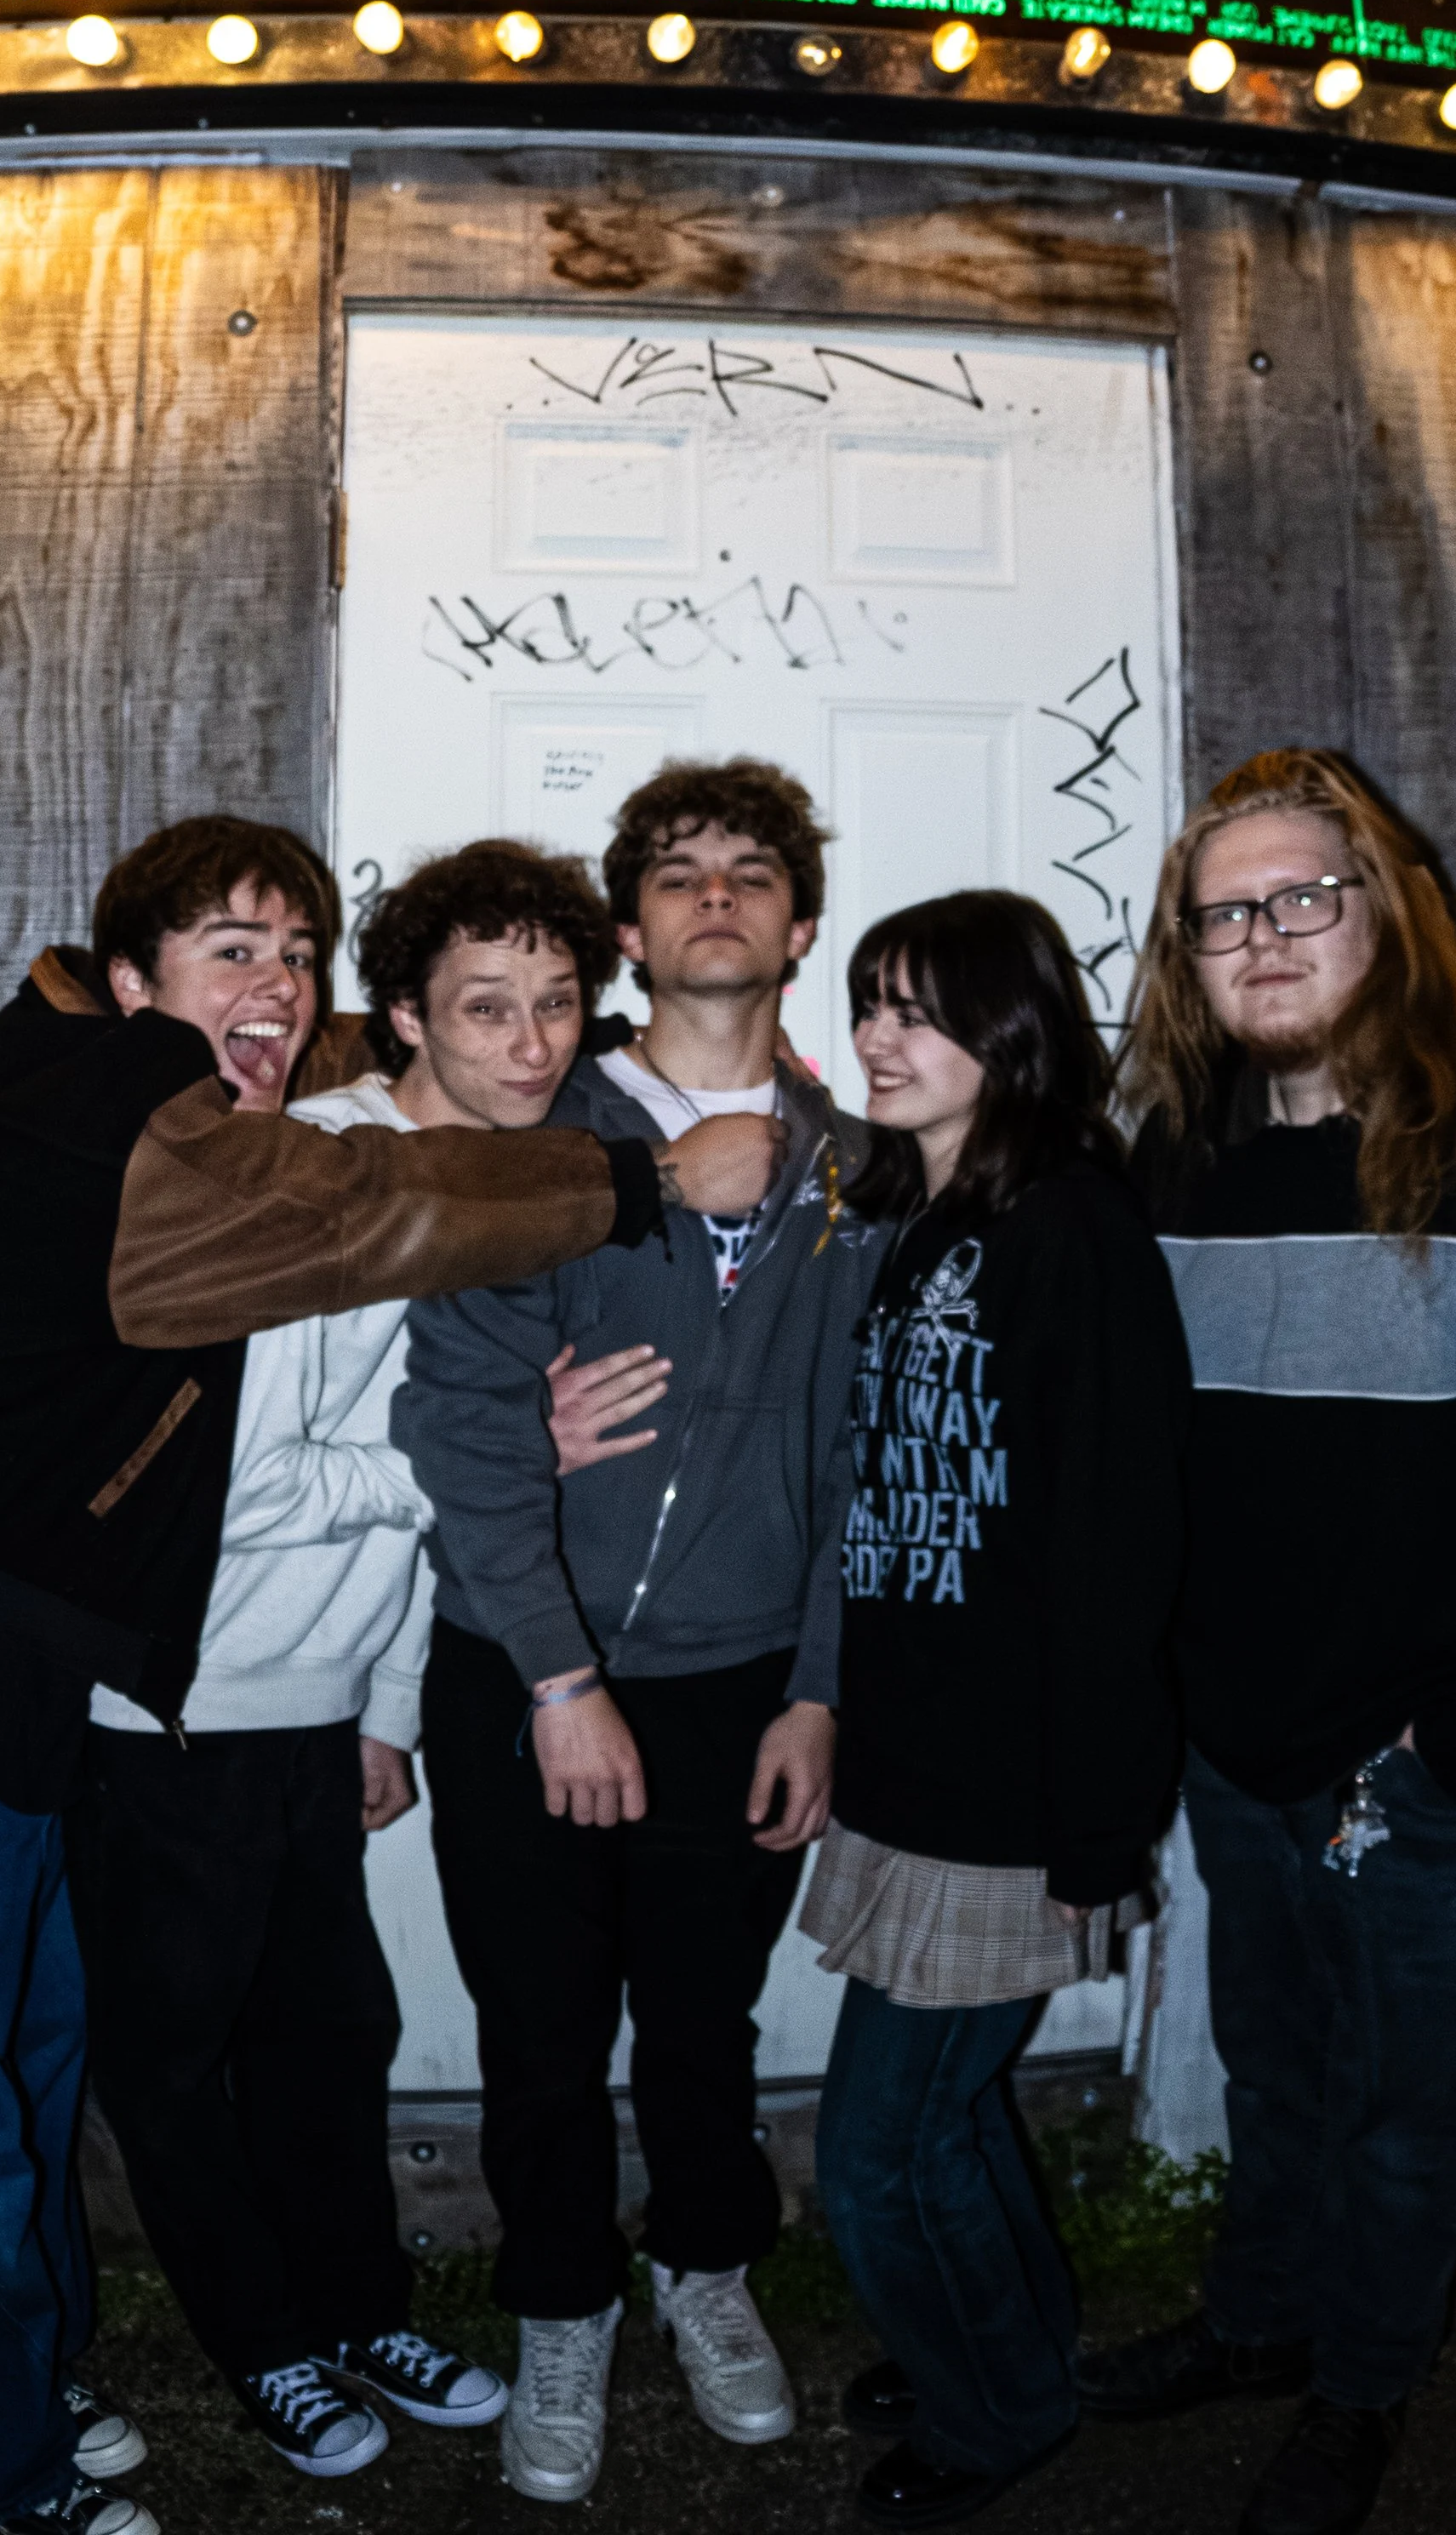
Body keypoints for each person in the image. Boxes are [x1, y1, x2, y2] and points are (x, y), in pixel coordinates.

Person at [0, 814, 776, 2535]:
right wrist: (647, 1179)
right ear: (128, 982)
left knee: (34, 2072)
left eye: (299, 958)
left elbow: (372, 1080)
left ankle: (40, 2387)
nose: (278, 990)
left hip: (28, 1701)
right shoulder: (131, 1126)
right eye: (234, 950)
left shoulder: (169, 1088)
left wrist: (442, 1021)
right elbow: (360, 1211)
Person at [1080, 751, 1456, 2535]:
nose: (1260, 939)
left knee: (1414, 2117)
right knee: (1275, 2072)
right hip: (1241, 1745)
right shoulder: (1173, 1158)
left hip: (1442, 1768)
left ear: (1387, 909)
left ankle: (1361, 2390)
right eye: (1221, 916)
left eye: (1300, 900)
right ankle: (1264, 2326)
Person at [67, 841, 628, 2486]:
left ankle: (356, 2305)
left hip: (315, 1706)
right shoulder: (311, 1169)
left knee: (333, 2037)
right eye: (488, 1006)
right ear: (410, 1018)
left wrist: (385, 1712)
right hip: (176, 1707)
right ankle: (267, 2345)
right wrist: (496, 1450)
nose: (534, 1045)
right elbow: (246, 1493)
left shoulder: (503, 1187)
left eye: (557, 1006)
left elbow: (402, 1522)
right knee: (177, 2060)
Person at [394, 758, 883, 2506]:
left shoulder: (857, 1166)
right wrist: (558, 1673)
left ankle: (704, 2264)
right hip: (528, 1680)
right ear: (630, 928)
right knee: (535, 2025)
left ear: (800, 927)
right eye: (679, 875)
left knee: (704, 2017)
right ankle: (559, 2303)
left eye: (755, 874)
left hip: (746, 1684)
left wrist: (821, 1690)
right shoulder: (535, 1147)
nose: (718, 897)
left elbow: (863, 1454)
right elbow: (457, 1422)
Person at [800, 890, 1189, 2531]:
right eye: (871, 1004)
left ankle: (1001, 2408)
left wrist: (1097, 1818)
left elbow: (1118, 1545)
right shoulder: (929, 1216)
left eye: (920, 1010)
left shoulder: (1068, 1232)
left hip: (1013, 1787)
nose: (881, 1039)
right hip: (917, 1754)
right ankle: (999, 2340)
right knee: (941, 2114)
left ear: (1012, 1034)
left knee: (878, 2147)